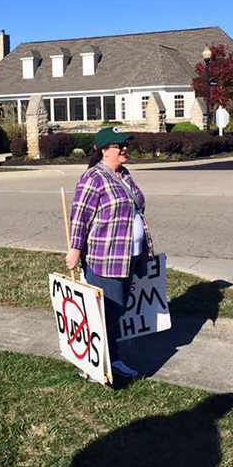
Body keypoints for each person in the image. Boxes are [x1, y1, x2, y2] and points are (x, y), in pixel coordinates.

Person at [66, 127, 154, 379]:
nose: (125, 148)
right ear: (105, 150)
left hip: (128, 257)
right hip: (105, 259)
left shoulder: (124, 174)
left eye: (126, 144)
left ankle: (111, 359)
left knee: (117, 311)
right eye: (119, 145)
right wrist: (75, 249)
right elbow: (80, 217)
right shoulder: (93, 178)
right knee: (107, 313)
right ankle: (95, 365)